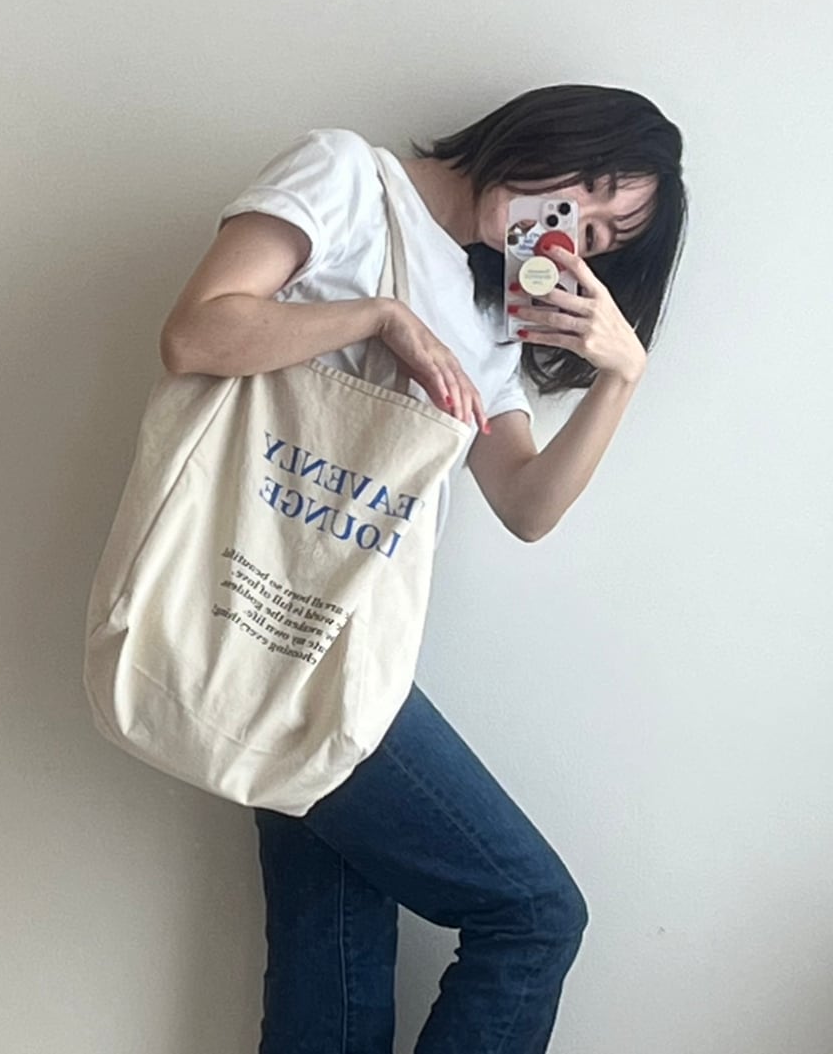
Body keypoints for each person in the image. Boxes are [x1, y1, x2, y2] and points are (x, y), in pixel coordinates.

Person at [159, 84, 687, 1054]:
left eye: (600, 236)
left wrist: (620, 376)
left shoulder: (488, 318)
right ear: (555, 127)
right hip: (268, 620)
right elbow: (197, 332)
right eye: (590, 184)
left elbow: (526, 504)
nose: (572, 222)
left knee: (332, 966)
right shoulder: (345, 176)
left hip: (345, 649)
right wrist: (380, 319)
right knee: (530, 916)